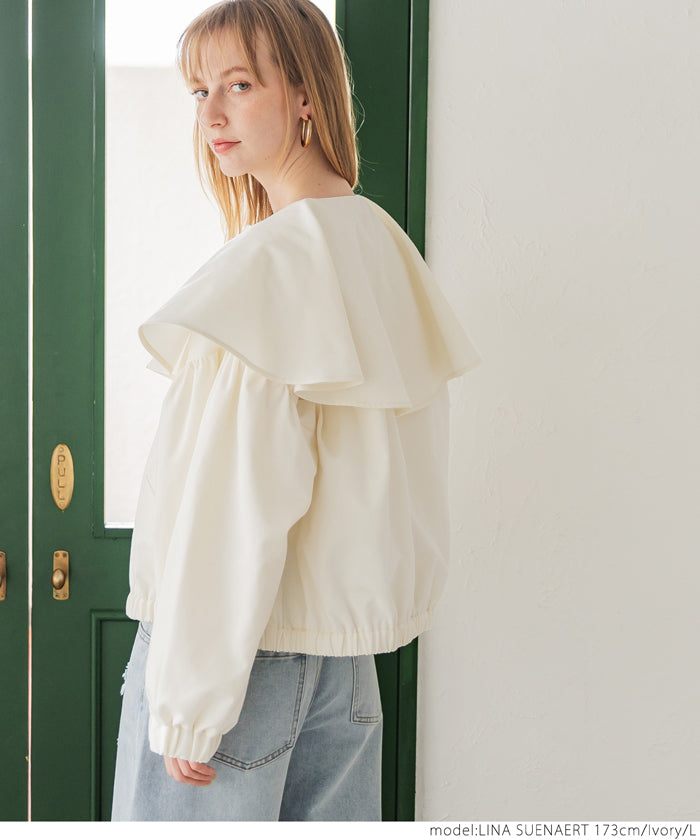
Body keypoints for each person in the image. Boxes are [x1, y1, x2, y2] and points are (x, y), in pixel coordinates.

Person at [111, 0, 482, 822]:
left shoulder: (269, 268)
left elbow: (233, 502)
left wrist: (190, 702)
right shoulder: (380, 245)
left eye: (239, 85)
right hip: (346, 675)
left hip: (235, 668)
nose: (211, 114)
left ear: (307, 93)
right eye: (199, 90)